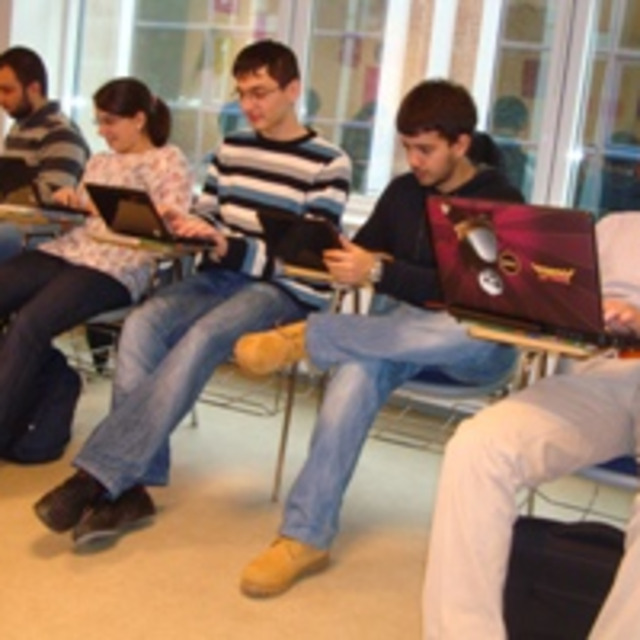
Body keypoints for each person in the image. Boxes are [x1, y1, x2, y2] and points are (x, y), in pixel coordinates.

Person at [34, 40, 351, 547]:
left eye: (261, 93)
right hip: (222, 273)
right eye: (242, 93)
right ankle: (131, 487)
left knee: (203, 335)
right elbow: (208, 213)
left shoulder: (328, 163)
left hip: (283, 288)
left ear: (293, 90)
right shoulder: (231, 149)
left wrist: (232, 248)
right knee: (142, 324)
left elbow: (308, 261)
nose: (249, 105)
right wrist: (185, 225)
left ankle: (98, 474)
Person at [232, 78, 524, 598]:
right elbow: (367, 253)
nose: (414, 161)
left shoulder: (498, 198)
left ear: (461, 143)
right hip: (392, 332)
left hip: (474, 341)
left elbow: (471, 290)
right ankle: (305, 535)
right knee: (356, 371)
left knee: (455, 326)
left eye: (425, 149)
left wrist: (382, 272)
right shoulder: (404, 192)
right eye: (407, 147)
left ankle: (311, 336)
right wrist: (334, 255)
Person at [422, 211, 640, 639]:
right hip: (600, 376)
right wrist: (551, 315)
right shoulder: (614, 227)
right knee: (479, 446)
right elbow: (564, 299)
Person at [0, 76, 192, 459]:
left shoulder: (168, 161)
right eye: (99, 122)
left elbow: (172, 226)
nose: (102, 131)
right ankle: (52, 380)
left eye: (110, 122)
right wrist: (69, 203)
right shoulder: (101, 161)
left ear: (139, 119)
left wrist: (132, 214)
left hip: (119, 265)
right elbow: (84, 217)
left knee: (31, 323)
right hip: (72, 249)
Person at [0, 46, 89, 262]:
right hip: (15, 221)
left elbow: (54, 198)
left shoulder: (61, 134)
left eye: (7, 90)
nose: (1, 99)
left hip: (45, 231)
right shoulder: (18, 129)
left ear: (34, 89)